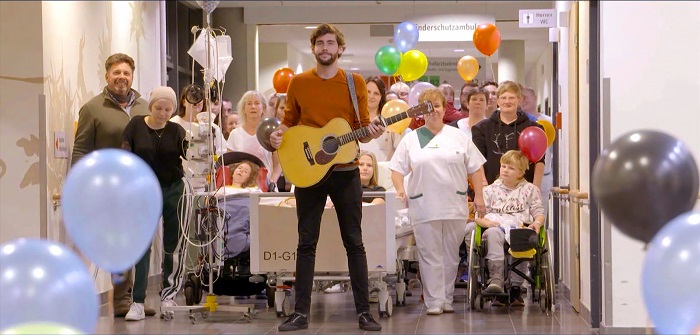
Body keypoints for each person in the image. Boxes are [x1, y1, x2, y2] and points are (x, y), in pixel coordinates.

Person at [269, 23, 384, 332]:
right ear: (314, 47)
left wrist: (373, 132)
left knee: (354, 241)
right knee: (306, 242)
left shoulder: (353, 81)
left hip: (346, 171)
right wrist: (279, 136)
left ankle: (364, 313)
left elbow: (363, 127)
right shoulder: (299, 82)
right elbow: (289, 122)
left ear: (339, 48)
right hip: (308, 171)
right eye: (320, 43)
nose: (325, 47)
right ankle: (300, 313)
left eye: (330, 43)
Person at [71, 53, 155, 318]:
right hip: (109, 188)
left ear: (132, 76)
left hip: (142, 187)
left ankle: (137, 299)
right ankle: (120, 299)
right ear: (107, 76)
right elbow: (81, 150)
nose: (122, 77)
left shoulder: (145, 108)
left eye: (126, 73)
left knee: (140, 243)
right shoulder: (93, 109)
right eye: (116, 73)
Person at [389, 88, 486, 315]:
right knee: (429, 253)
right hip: (423, 205)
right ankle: (434, 301)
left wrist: (479, 196)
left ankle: (447, 298)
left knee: (451, 254)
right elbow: (396, 168)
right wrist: (400, 189)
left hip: (454, 204)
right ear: (421, 112)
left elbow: (476, 168)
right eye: (427, 107)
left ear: (445, 108)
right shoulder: (411, 139)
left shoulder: (459, 137)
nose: (433, 111)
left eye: (437, 106)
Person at [120, 86, 189, 320]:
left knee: (173, 242)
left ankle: (168, 295)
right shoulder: (136, 125)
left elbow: (192, 154)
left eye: (168, 109)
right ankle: (137, 301)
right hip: (143, 191)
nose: (163, 113)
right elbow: (125, 155)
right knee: (142, 245)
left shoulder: (177, 130)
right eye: (159, 108)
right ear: (151, 106)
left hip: (172, 188)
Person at [475, 150, 545, 306]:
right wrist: (487, 223)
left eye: (510, 168)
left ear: (520, 172)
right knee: (493, 234)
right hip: (496, 225)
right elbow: (478, 217)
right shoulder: (489, 191)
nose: (505, 170)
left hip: (519, 227)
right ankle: (496, 279)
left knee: (521, 236)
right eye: (503, 166)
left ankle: (516, 286)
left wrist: (537, 224)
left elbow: (539, 213)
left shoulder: (531, 190)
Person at [471, 81, 545, 189]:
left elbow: (539, 161)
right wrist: (483, 184)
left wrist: (535, 188)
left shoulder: (534, 128)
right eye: (503, 98)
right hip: (492, 190)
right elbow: (478, 159)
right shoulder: (481, 128)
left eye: (511, 98)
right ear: (498, 101)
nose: (507, 101)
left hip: (524, 191)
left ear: (518, 100)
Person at [227, 91, 281, 186]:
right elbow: (229, 164)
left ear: (263, 108)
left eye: (257, 103)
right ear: (244, 108)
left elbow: (278, 164)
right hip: (241, 188)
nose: (253, 107)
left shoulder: (270, 133)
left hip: (265, 186)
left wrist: (272, 181)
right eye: (249, 103)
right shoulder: (235, 134)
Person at [521, 87, 553, 213]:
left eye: (525, 97)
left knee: (540, 211)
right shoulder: (519, 122)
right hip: (523, 174)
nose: (522, 101)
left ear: (535, 99)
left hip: (544, 173)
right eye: (520, 97)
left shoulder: (548, 122)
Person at [359, 76, 401, 161]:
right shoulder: (355, 120)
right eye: (368, 92)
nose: (371, 96)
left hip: (384, 172)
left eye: (376, 93)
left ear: (381, 96)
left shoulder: (389, 120)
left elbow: (400, 150)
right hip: (359, 172)